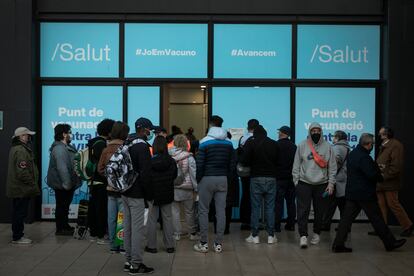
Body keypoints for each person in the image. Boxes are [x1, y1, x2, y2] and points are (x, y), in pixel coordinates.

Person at [332, 133, 407, 252]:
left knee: (345, 221)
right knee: (378, 219)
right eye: (372, 144)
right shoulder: (364, 157)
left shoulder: (353, 153)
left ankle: (338, 244)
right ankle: (390, 243)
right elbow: (372, 174)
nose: (372, 146)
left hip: (352, 193)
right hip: (365, 194)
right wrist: (380, 174)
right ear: (368, 144)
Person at [193, 115, 235, 253]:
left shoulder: (204, 141)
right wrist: (226, 177)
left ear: (210, 124)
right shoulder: (229, 142)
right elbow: (232, 163)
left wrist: (198, 180)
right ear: (221, 124)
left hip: (206, 179)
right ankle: (218, 244)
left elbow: (200, 163)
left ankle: (204, 243)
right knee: (221, 212)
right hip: (222, 178)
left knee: (203, 210)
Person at [292, 122, 337, 248]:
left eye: (318, 130)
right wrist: (296, 181)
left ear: (321, 132)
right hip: (304, 183)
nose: (315, 133)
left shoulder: (328, 147)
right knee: (302, 211)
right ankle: (303, 236)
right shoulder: (302, 145)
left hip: (322, 184)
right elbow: (296, 165)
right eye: (313, 130)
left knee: (320, 211)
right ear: (310, 132)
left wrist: (331, 183)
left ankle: (317, 233)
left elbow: (332, 167)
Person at [122, 117, 155, 275]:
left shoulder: (128, 142)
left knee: (128, 228)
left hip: (125, 191)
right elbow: (146, 175)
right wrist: (149, 196)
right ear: (144, 130)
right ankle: (136, 264)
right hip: (137, 194)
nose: (151, 133)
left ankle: (129, 260)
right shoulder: (142, 147)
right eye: (150, 130)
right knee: (138, 230)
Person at [240, 125, 279, 244]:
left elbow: (244, 160)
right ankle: (271, 236)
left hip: (256, 178)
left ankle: (255, 235)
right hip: (271, 178)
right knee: (270, 208)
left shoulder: (251, 143)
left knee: (255, 207)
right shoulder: (273, 143)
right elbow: (278, 160)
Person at [373, 127, 413, 237]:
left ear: (386, 134)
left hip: (390, 183)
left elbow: (396, 166)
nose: (378, 134)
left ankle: (408, 226)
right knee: (380, 205)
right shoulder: (385, 145)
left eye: (381, 132)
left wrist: (384, 176)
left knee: (393, 204)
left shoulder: (396, 145)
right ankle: (382, 228)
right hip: (380, 182)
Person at [98, 121, 130, 253]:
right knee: (122, 218)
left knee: (111, 218)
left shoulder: (106, 149)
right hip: (123, 190)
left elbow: (100, 169)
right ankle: (122, 245)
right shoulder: (126, 148)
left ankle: (113, 246)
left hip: (110, 189)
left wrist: (110, 177)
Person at [6, 127, 40, 244]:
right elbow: (22, 172)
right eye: (26, 135)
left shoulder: (16, 148)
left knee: (18, 212)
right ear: (20, 136)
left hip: (18, 188)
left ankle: (18, 235)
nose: (29, 137)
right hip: (21, 189)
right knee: (20, 213)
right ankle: (18, 237)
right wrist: (32, 183)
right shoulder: (20, 150)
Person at [46, 124, 81, 235]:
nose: (71, 135)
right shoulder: (60, 149)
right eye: (69, 132)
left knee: (64, 206)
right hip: (63, 185)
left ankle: (64, 225)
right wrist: (67, 184)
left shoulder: (65, 147)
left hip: (66, 184)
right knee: (62, 206)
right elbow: (62, 168)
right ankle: (61, 229)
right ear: (63, 134)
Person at [145, 136, 177, 254]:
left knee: (152, 220)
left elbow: (147, 177)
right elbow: (174, 176)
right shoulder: (171, 161)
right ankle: (170, 246)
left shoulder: (149, 161)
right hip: (167, 193)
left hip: (153, 194)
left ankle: (151, 246)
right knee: (168, 219)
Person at [88, 118, 115, 244]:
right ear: (108, 131)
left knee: (95, 207)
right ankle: (100, 234)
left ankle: (94, 232)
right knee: (100, 208)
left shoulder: (94, 142)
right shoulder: (101, 144)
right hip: (100, 181)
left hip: (94, 181)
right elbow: (102, 164)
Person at [170, 134, 198, 241]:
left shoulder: (170, 156)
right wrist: (196, 188)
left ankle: (177, 233)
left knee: (175, 211)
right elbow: (193, 174)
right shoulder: (189, 157)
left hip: (174, 187)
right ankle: (192, 233)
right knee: (189, 211)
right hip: (187, 188)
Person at [321, 130, 351, 231]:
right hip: (342, 180)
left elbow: (336, 162)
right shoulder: (347, 148)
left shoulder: (337, 148)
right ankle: (345, 226)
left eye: (334, 136)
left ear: (337, 138)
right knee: (340, 205)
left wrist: (330, 176)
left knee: (330, 204)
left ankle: (326, 225)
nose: (332, 138)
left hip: (336, 181)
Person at [237, 119, 259, 231]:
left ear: (248, 127)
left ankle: (244, 221)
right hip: (255, 172)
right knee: (254, 197)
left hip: (244, 172)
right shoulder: (256, 139)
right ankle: (253, 221)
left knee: (245, 195)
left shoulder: (242, 139)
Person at [274, 126, 297, 232]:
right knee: (291, 202)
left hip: (279, 178)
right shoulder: (294, 146)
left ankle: (277, 226)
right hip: (291, 179)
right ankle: (291, 224)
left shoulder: (276, 145)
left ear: (282, 133)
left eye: (279, 132)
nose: (278, 133)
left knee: (278, 203)